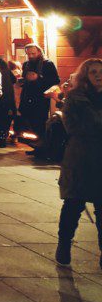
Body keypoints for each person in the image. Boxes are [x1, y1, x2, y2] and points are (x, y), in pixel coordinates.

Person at [54, 58, 102, 268]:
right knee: (74, 204)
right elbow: (73, 127)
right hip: (81, 158)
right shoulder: (75, 98)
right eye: (93, 72)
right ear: (85, 76)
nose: (99, 76)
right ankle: (64, 245)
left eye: (101, 72)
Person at [19, 44, 60, 144]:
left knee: (40, 123)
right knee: (30, 123)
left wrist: (38, 77)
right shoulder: (26, 64)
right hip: (27, 97)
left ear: (39, 52)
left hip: (40, 99)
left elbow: (55, 80)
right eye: (28, 54)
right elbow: (25, 78)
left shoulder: (47, 64)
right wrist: (22, 81)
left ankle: (42, 146)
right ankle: (35, 145)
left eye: (33, 53)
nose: (31, 56)